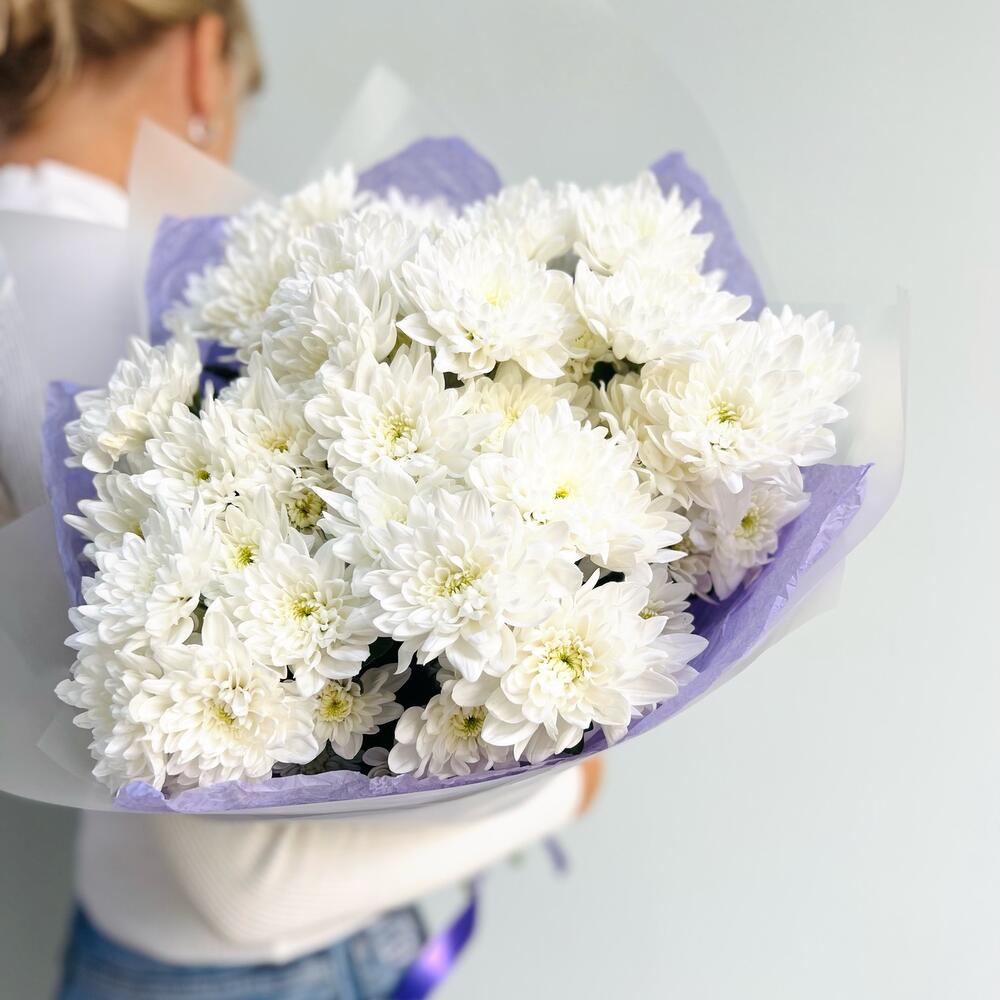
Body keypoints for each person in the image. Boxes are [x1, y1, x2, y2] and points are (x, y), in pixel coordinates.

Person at [0, 3, 602, 998]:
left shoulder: (23, 266)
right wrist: (561, 792)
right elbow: (243, 884)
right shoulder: (125, 297)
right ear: (203, 57)